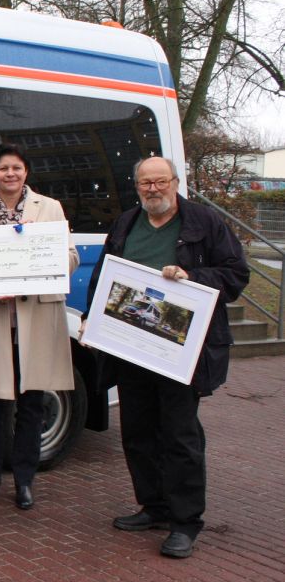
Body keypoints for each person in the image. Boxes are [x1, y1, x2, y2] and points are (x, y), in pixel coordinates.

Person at [86, 156, 248, 558]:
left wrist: (193, 277)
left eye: (160, 181)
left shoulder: (205, 224)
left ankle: (185, 521)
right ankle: (153, 506)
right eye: (145, 183)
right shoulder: (125, 223)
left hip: (180, 351)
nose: (153, 189)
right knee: (137, 432)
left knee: (180, 435)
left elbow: (235, 273)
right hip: (130, 347)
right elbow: (103, 276)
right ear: (137, 186)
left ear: (176, 182)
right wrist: (94, 319)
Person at [0, 143, 79, 510]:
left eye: (17, 167)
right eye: (3, 168)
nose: (10, 174)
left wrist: (39, 250)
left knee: (32, 403)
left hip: (37, 318)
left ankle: (25, 480)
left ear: (26, 172)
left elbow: (71, 258)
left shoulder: (50, 209)